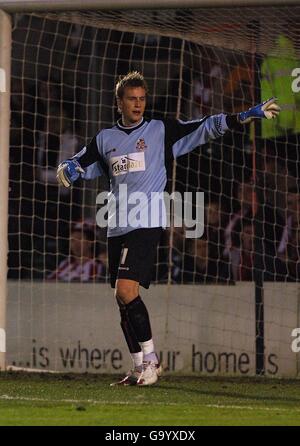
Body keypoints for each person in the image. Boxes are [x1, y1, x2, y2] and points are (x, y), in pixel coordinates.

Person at [56, 71, 280, 386]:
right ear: (119, 102)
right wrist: (67, 168)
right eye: (131, 99)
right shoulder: (105, 139)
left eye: (142, 99)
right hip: (116, 226)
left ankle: (152, 362)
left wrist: (244, 116)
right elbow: (80, 164)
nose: (137, 104)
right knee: (122, 298)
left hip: (146, 223)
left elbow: (203, 127)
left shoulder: (160, 130)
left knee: (126, 290)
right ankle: (137, 367)